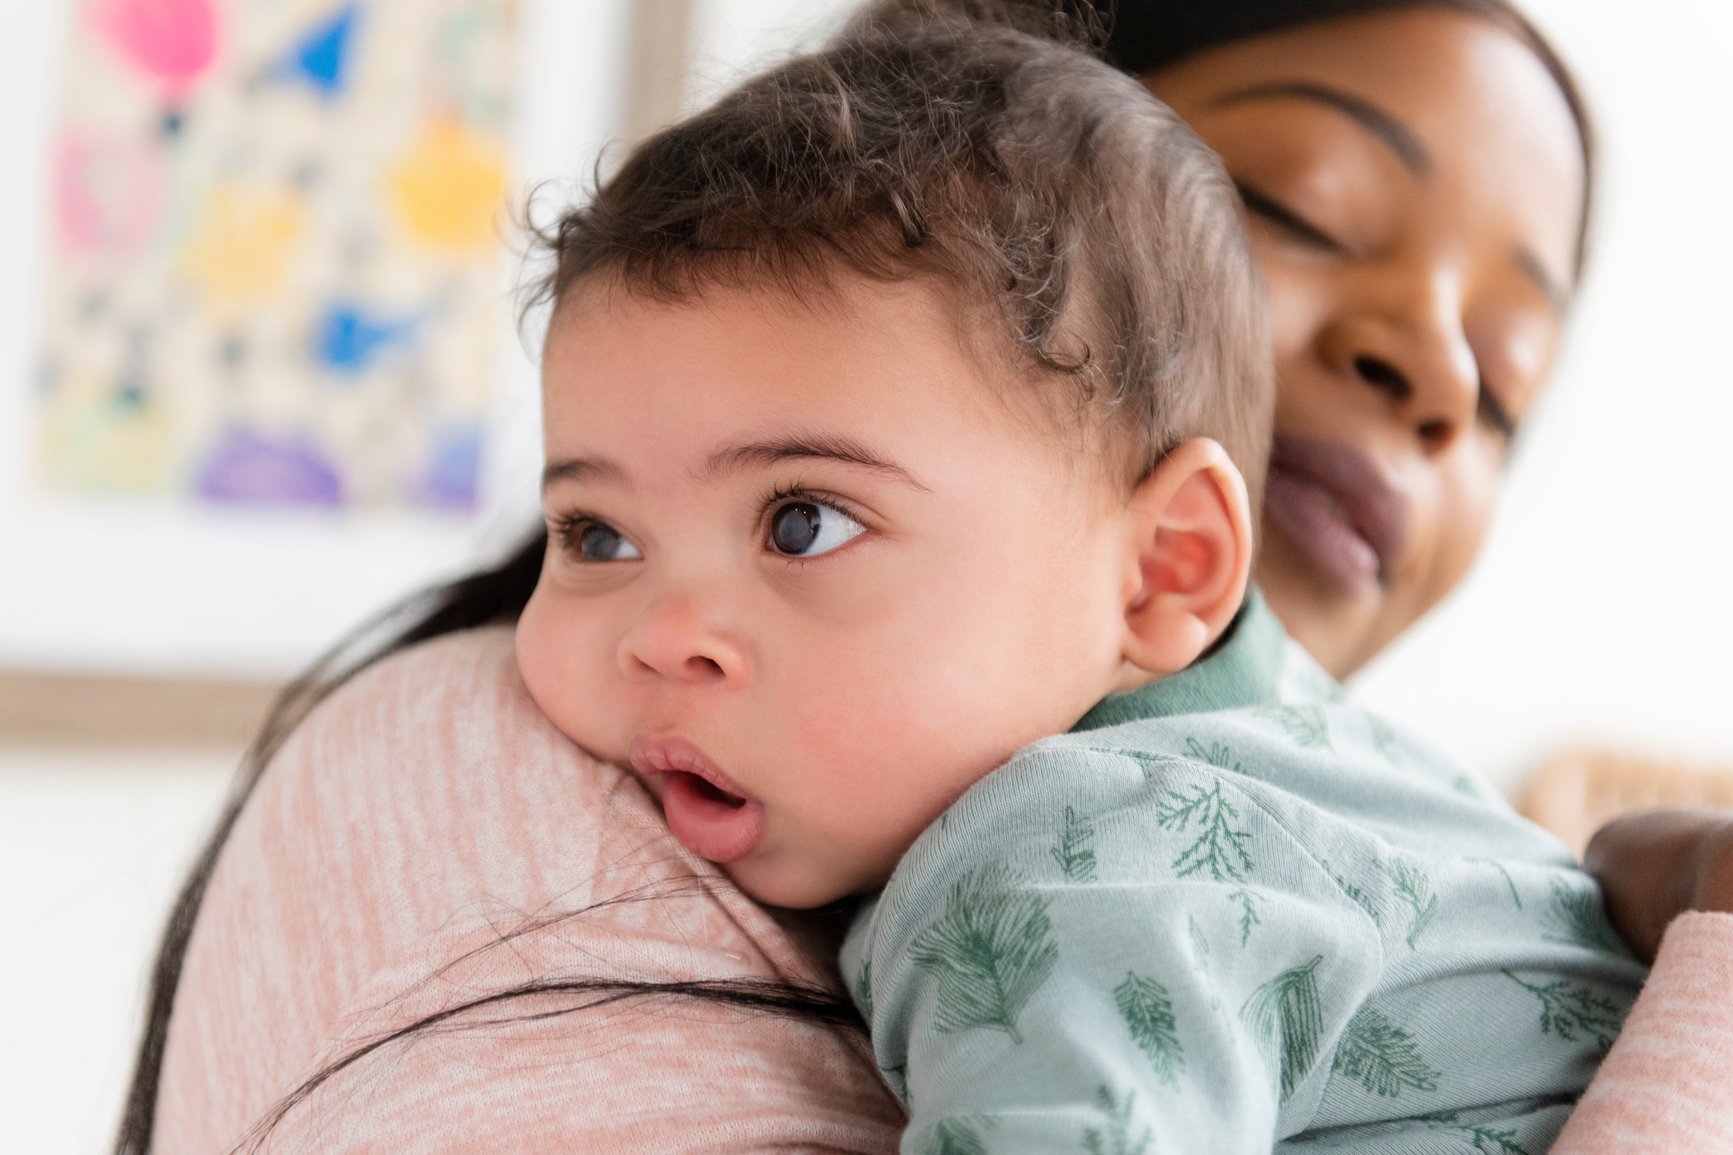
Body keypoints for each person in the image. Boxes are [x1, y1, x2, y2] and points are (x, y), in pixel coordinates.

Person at [121, 2, 1733, 1153]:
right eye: (594, 534)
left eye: (1509, 379)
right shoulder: (469, 776)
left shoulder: (1076, 858)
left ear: (1172, 567)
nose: (1433, 370)